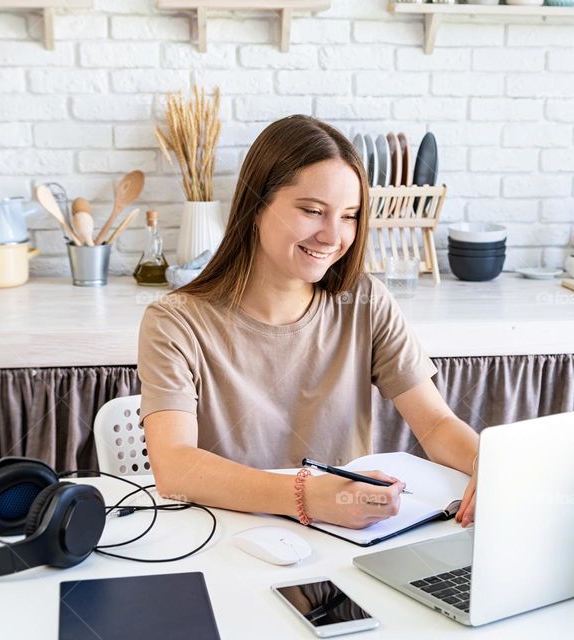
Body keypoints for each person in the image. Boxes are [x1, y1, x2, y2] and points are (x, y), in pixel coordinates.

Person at [138, 115, 478, 530]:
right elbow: (174, 467)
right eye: (313, 211)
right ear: (257, 207)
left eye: (349, 216)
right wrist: (306, 496)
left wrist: (491, 465)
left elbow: (437, 423)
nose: (332, 236)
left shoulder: (365, 302)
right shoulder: (175, 323)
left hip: (344, 542)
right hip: (227, 542)